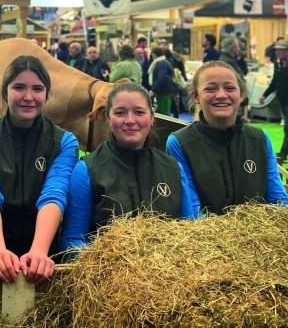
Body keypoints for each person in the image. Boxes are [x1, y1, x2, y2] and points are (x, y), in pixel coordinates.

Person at [0, 56, 78, 285]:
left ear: (47, 95)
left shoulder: (64, 142)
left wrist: (39, 252)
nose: (28, 97)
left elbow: (54, 194)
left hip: (43, 261)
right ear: (4, 92)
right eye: (19, 87)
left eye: (37, 89)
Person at [60, 82, 198, 251]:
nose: (130, 120)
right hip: (110, 273)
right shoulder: (87, 170)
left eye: (139, 112)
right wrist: (109, 259)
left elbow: (190, 232)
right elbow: (71, 241)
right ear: (109, 119)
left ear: (152, 117)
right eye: (120, 113)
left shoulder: (173, 169)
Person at [167, 61, 288, 216]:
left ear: (241, 94)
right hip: (206, 237)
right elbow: (192, 211)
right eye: (210, 89)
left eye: (230, 88)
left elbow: (278, 200)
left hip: (259, 236)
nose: (221, 95)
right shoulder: (180, 143)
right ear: (195, 96)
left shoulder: (260, 139)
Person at [260, 41, 288, 163]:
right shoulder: (278, 65)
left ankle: (283, 152)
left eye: (279, 50)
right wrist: (264, 95)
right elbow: (274, 82)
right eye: (276, 50)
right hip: (283, 101)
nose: (276, 52)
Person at [148, 47, 177, 116]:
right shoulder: (164, 62)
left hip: (165, 91)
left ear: (154, 54)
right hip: (164, 91)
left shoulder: (161, 64)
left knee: (164, 114)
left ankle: (167, 126)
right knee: (161, 112)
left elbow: (162, 78)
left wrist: (153, 89)